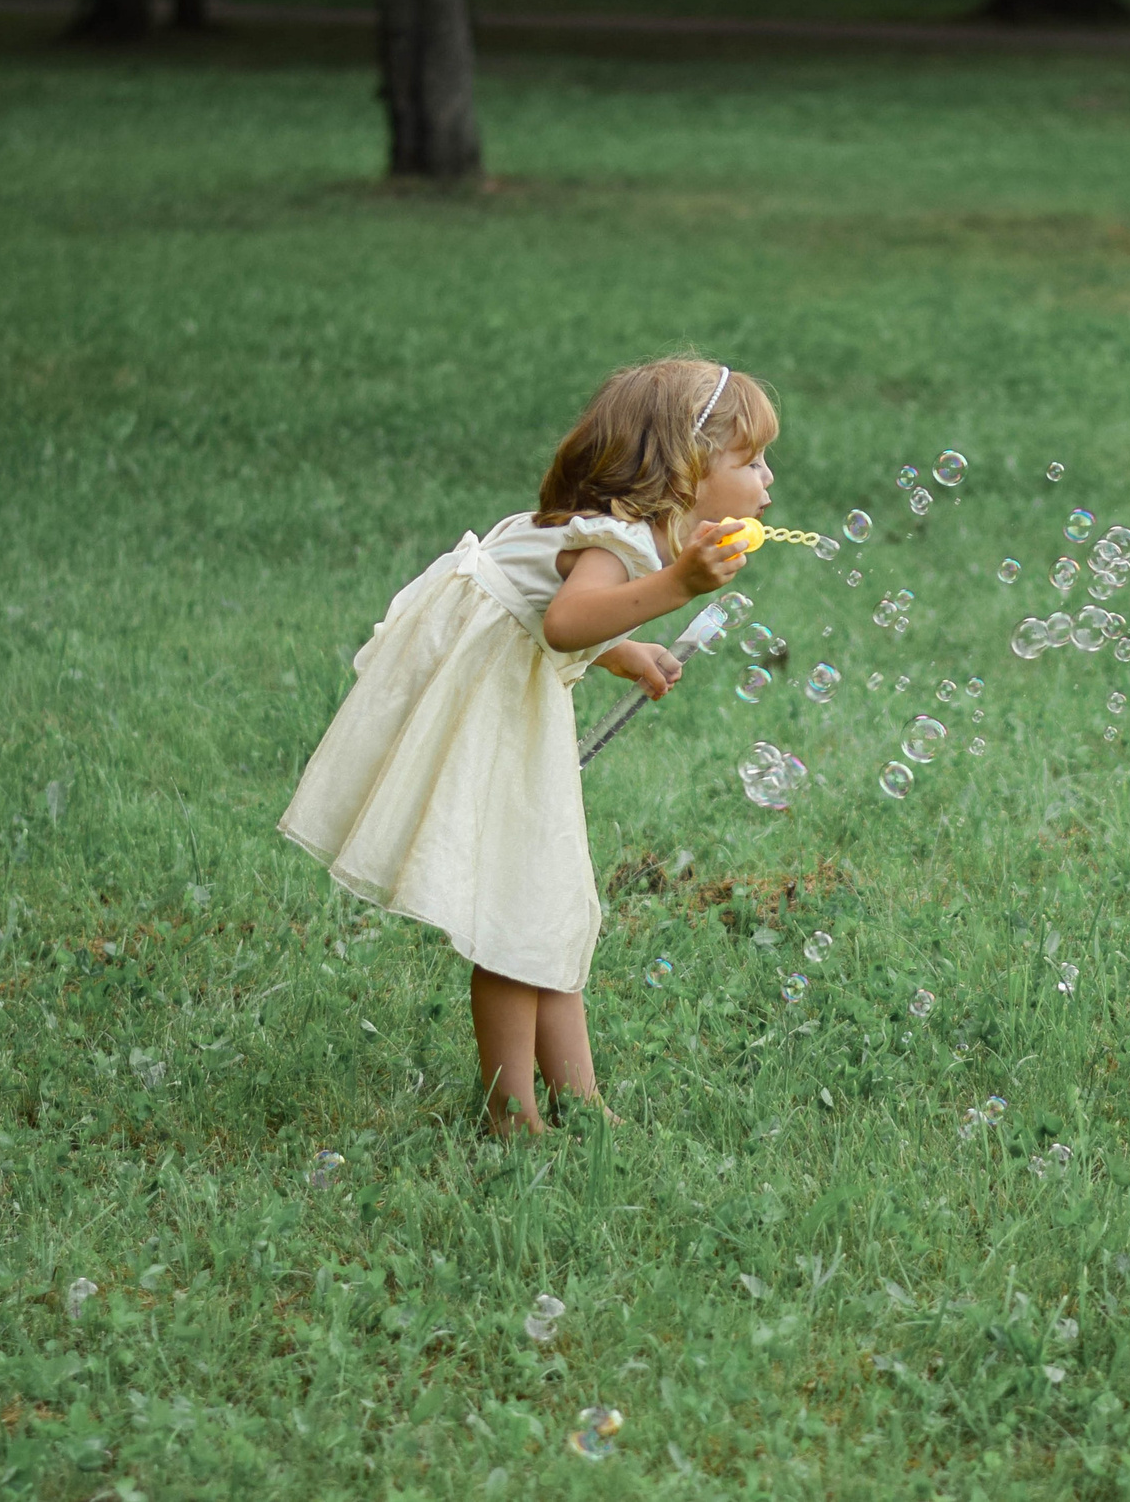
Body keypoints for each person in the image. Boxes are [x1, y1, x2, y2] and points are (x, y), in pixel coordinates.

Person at [281, 358, 777, 1135]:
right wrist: (678, 586)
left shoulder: (612, 530)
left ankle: (578, 1098)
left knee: (548, 898)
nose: (767, 479)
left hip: (501, 695)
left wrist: (628, 651)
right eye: (750, 461)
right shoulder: (618, 540)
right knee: (516, 905)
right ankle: (511, 1115)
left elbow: (558, 607)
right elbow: (564, 621)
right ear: (685, 468)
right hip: (488, 710)